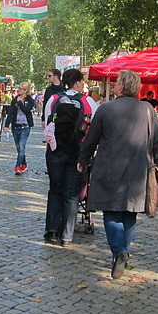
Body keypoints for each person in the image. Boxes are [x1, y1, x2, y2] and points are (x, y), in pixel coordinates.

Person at [78, 69, 158, 279]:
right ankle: (123, 251)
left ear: (121, 86)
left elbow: (91, 139)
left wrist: (83, 160)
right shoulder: (147, 110)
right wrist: (154, 163)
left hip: (109, 167)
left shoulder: (106, 109)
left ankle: (120, 251)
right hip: (138, 169)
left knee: (111, 212)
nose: (114, 85)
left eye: (116, 83)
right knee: (130, 212)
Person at [43, 68, 98, 247]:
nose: (83, 85)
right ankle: (66, 236)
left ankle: (51, 229)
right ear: (77, 82)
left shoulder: (54, 99)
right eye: (82, 82)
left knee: (55, 189)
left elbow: (47, 124)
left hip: (55, 151)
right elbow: (94, 131)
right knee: (72, 194)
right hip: (78, 152)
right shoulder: (89, 102)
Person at [3, 81, 35, 175]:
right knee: (19, 148)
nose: (18, 90)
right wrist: (6, 125)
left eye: (20, 88)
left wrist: (20, 103)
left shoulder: (30, 100)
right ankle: (24, 163)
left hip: (25, 127)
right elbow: (11, 114)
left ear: (25, 90)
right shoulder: (14, 99)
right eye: (18, 88)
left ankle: (17, 166)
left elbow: (26, 110)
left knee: (21, 147)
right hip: (15, 126)